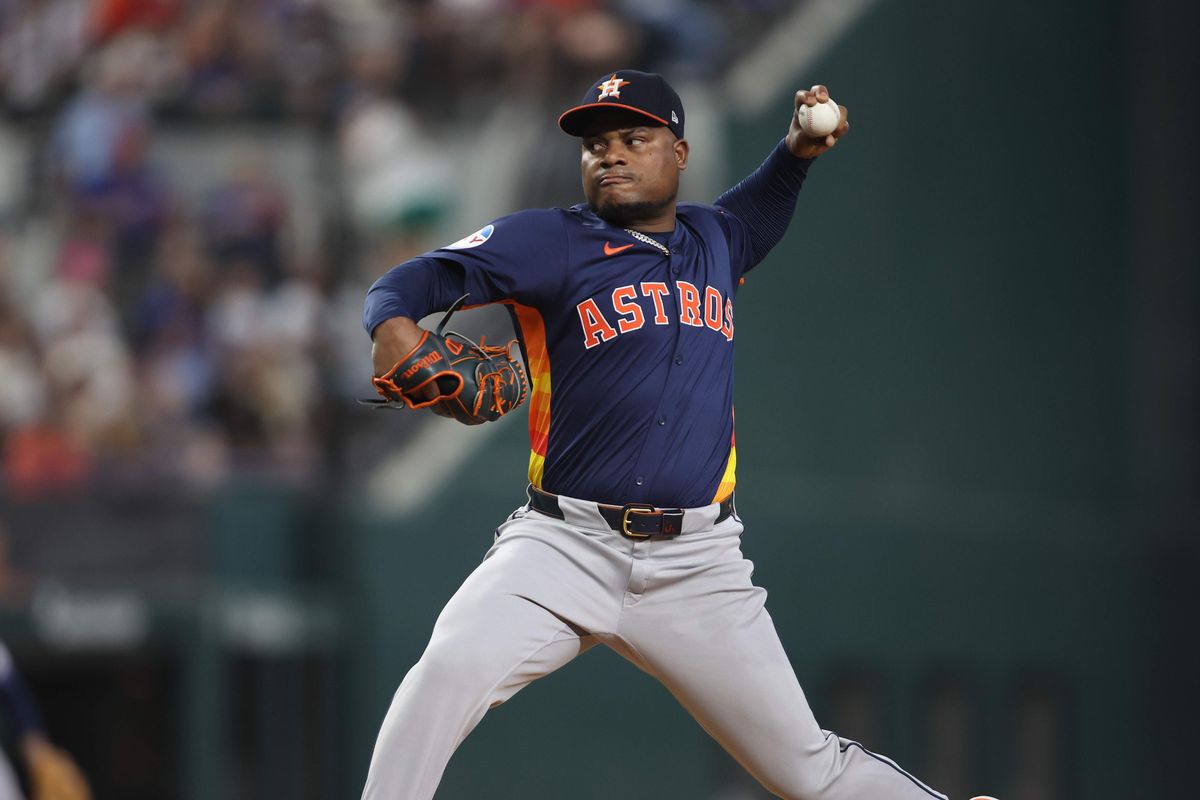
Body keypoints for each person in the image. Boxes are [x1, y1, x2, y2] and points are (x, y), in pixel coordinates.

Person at [360, 69, 946, 800]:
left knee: (806, 768)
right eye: (597, 144)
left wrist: (798, 149)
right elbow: (415, 279)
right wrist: (389, 325)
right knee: (444, 675)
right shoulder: (547, 240)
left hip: (699, 564)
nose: (611, 154)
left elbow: (765, 203)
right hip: (563, 546)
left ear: (680, 152)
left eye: (635, 139)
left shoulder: (718, 238)